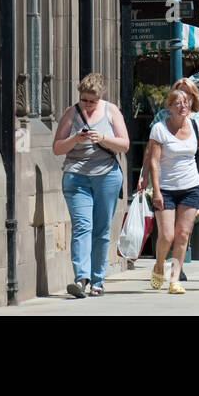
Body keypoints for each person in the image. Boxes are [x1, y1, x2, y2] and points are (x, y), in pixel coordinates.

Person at [53, 73, 130, 298]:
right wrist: (75, 139)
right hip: (76, 176)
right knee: (81, 226)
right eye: (84, 100)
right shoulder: (71, 113)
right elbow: (57, 148)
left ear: (100, 97)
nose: (87, 105)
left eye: (92, 101)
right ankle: (81, 278)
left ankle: (98, 280)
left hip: (106, 175)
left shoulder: (111, 111)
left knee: (101, 229)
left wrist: (102, 138)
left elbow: (124, 144)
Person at [147, 87, 199, 294]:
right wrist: (156, 190)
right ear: (170, 107)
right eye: (177, 103)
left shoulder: (195, 125)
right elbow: (154, 162)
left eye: (186, 102)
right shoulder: (159, 129)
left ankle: (174, 278)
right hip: (166, 188)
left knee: (183, 234)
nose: (182, 106)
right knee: (166, 235)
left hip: (191, 187)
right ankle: (159, 266)